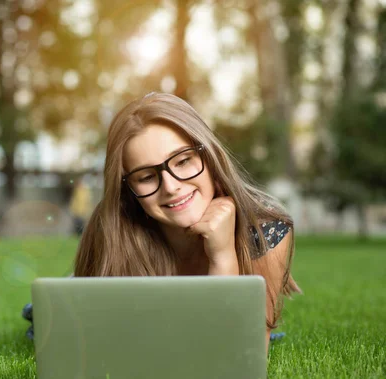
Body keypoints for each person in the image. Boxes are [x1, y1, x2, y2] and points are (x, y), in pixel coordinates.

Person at [23, 92, 301, 352]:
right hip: (132, 321)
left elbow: (235, 352)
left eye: (182, 161)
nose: (170, 187)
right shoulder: (112, 227)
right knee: (49, 317)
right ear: (129, 191)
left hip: (202, 320)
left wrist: (223, 255)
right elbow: (107, 345)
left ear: (211, 158)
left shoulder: (266, 229)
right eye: (146, 177)